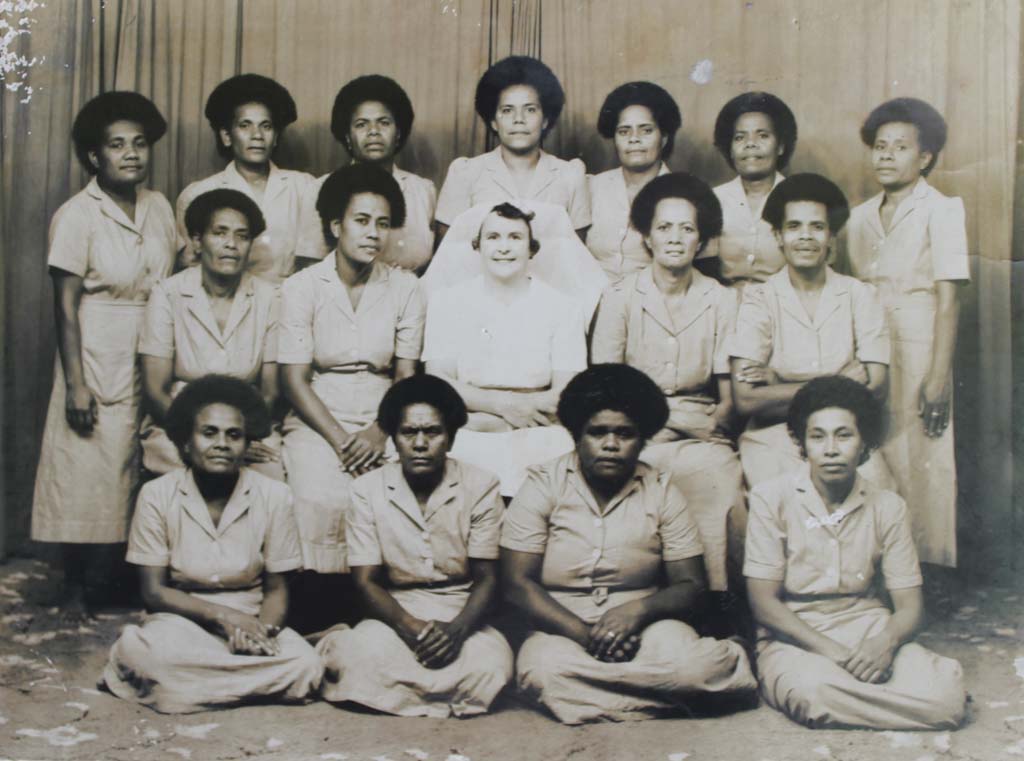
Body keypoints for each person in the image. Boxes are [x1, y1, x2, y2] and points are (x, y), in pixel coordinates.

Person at [500, 364, 757, 725]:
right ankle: (672, 700)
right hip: (561, 626)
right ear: (577, 435)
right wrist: (587, 635)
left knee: (695, 667)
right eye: (598, 432)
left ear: (642, 440)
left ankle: (599, 702)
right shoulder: (544, 484)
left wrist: (635, 613)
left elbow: (691, 586)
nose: (610, 444)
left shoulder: (661, 490)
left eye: (625, 434)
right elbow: (516, 584)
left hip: (647, 626)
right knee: (544, 671)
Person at [744, 375, 966, 729]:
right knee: (813, 692)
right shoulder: (771, 499)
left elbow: (910, 606)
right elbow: (763, 604)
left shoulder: (888, 507)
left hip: (867, 627)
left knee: (947, 700)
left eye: (844, 435)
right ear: (802, 443)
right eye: (817, 436)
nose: (830, 449)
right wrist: (834, 653)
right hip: (796, 636)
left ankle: (879, 697)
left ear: (864, 443)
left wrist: (885, 643)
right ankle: (899, 702)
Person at [31, 91, 176, 622]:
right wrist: (76, 382)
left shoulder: (160, 207)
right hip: (96, 344)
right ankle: (74, 584)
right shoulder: (76, 215)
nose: (131, 154)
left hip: (152, 340)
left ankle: (128, 577)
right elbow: (65, 306)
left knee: (139, 462)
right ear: (95, 157)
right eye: (117, 145)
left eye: (139, 144)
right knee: (86, 464)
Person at [101, 376, 322, 713]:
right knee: (152, 657)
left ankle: (194, 691)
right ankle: (247, 687)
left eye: (234, 435)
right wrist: (223, 617)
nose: (222, 444)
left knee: (306, 664)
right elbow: (154, 592)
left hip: (253, 619)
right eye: (209, 433)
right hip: (180, 621)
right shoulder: (157, 495)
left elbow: (277, 590)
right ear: (186, 443)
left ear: (246, 445)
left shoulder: (274, 495)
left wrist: (260, 633)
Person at [279, 164, 424, 630]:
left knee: (389, 493)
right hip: (319, 412)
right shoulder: (301, 288)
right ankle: (319, 612)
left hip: (386, 413)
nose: (374, 234)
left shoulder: (407, 288)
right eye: (362, 221)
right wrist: (343, 440)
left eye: (383, 223)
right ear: (336, 225)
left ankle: (376, 610)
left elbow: (405, 375)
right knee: (316, 490)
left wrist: (381, 431)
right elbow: (295, 380)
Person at [317, 375, 514, 717]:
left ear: (450, 438)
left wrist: (456, 632)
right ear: (393, 438)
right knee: (357, 656)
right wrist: (410, 627)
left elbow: (487, 578)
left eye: (433, 432)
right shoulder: (367, 489)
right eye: (409, 433)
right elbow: (365, 582)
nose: (420, 443)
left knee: (492, 666)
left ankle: (400, 697)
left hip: (461, 610)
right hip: (395, 611)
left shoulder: (481, 485)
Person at [592, 173, 743, 594]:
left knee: (719, 476)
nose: (675, 238)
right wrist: (675, 419)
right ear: (646, 237)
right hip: (636, 431)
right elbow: (606, 385)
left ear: (702, 240)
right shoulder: (619, 297)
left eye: (687, 228)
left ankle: (714, 601)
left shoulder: (722, 299)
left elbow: (727, 401)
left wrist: (699, 426)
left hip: (703, 435)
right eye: (664, 227)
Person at [844, 98, 968, 568]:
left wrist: (938, 377)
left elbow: (950, 301)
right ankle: (878, 564)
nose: (887, 156)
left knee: (925, 455)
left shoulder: (942, 210)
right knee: (876, 450)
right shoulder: (858, 217)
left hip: (921, 341)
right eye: (879, 146)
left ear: (925, 157)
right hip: (870, 343)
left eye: (900, 147)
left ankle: (927, 567)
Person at [729, 174, 894, 489]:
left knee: (877, 488)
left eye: (817, 227)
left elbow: (876, 388)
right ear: (777, 236)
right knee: (780, 497)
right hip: (773, 437)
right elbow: (746, 399)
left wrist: (779, 385)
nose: (805, 237)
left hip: (845, 436)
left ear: (832, 236)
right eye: (794, 227)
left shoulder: (861, 295)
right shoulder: (758, 299)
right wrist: (838, 382)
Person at [424, 203, 585, 497]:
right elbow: (438, 381)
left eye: (515, 237)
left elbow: (567, 391)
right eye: (493, 237)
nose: (504, 247)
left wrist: (497, 420)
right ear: (478, 246)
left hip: (539, 431)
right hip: (468, 427)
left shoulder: (564, 307)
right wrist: (503, 408)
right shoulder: (447, 302)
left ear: (531, 248)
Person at [426, 56, 605, 316]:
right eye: (507, 110)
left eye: (530, 109)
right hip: (479, 306)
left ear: (545, 120)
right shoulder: (466, 172)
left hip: (550, 306)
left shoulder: (570, 174)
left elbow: (575, 257)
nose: (518, 119)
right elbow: (449, 253)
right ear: (493, 121)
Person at [140, 189, 283, 479]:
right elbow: (155, 389)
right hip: (178, 426)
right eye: (220, 233)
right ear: (196, 240)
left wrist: (237, 437)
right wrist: (196, 436)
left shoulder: (270, 298)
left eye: (242, 236)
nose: (231, 244)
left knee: (270, 474)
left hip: (246, 428)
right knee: (178, 474)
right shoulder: (168, 294)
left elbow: (270, 390)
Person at [176, 74, 317, 284]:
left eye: (266, 126)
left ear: (276, 136)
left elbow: (314, 266)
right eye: (245, 125)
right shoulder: (198, 193)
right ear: (226, 136)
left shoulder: (304, 187)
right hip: (226, 306)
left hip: (289, 304)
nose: (257, 135)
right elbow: (191, 269)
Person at [297, 75, 437, 273]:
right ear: (347, 136)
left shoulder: (423, 190)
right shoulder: (320, 189)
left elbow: (437, 267)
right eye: (362, 124)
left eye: (384, 122)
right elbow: (308, 267)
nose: (373, 131)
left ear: (398, 133)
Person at [587, 81, 680, 282]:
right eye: (624, 131)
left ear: (663, 138)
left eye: (646, 130)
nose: (634, 139)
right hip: (592, 302)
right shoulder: (592, 187)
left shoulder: (683, 194)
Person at [701, 92, 797, 286]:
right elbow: (702, 270)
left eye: (762, 135)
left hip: (782, 307)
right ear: (729, 149)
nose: (750, 144)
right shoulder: (712, 200)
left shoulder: (799, 200)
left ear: (780, 146)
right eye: (739, 137)